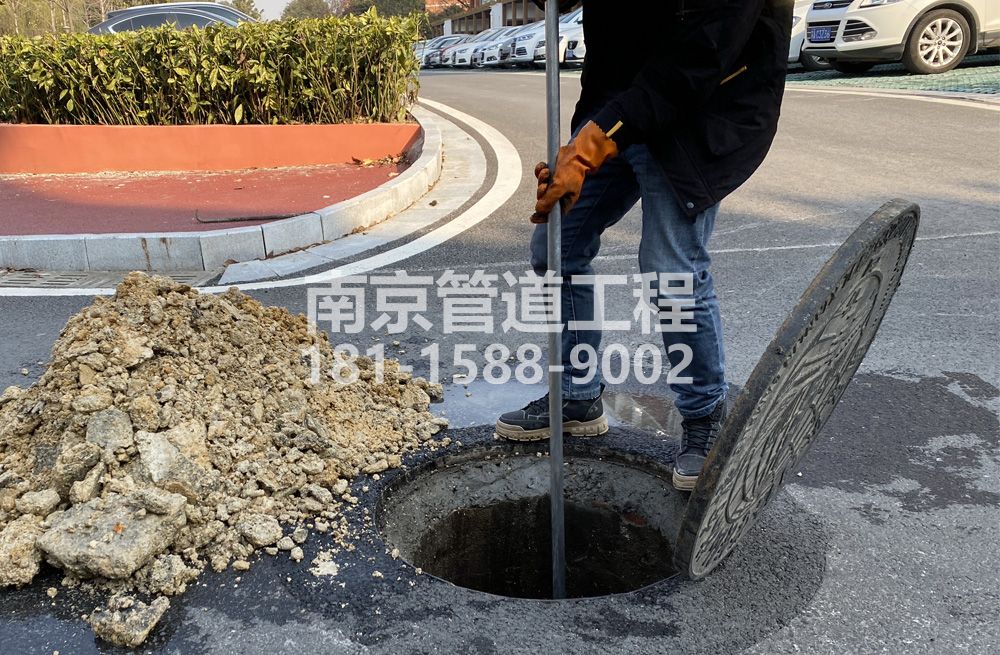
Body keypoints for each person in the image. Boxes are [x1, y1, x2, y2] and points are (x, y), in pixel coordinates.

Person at [495, 0, 793, 491]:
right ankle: (577, 395)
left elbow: (700, 56)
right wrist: (583, 143)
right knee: (556, 248)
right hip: (620, 103)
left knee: (670, 269)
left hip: (700, 110)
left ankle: (705, 417)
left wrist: (595, 141)